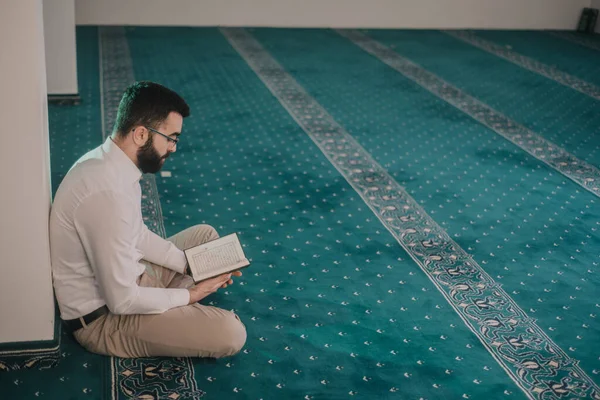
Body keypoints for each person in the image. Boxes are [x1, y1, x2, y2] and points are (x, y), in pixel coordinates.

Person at [49, 81, 246, 358]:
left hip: (134, 278)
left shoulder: (113, 164)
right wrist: (192, 295)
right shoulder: (104, 192)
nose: (174, 148)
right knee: (231, 332)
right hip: (104, 320)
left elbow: (137, 235)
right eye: (171, 138)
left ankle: (180, 303)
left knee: (205, 238)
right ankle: (181, 309)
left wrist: (192, 267)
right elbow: (122, 300)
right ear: (141, 134)